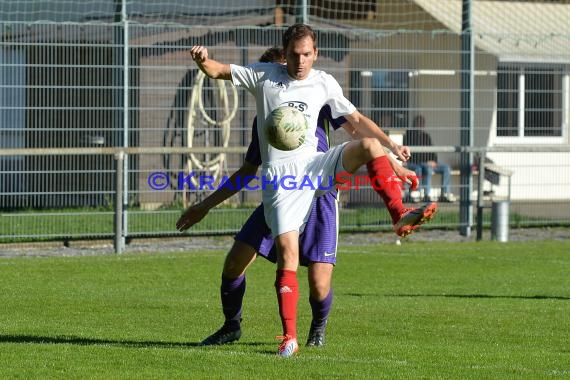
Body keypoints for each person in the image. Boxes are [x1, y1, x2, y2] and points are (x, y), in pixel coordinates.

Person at [188, 23, 437, 357]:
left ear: (315, 54)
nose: (299, 62)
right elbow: (219, 72)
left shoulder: (322, 86)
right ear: (282, 58)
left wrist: (392, 152)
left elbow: (356, 125)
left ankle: (398, 214)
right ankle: (277, 336)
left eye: (306, 55)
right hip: (282, 182)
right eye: (293, 56)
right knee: (264, 260)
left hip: (317, 179)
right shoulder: (266, 95)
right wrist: (204, 60)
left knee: (320, 284)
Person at [403, 115, 456, 202]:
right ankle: (423, 194)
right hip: (416, 162)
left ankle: (445, 194)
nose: (420, 125)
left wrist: (433, 161)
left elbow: (432, 151)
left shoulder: (426, 136)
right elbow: (411, 153)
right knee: (425, 168)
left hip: (428, 162)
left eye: (422, 123)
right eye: (419, 123)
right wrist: (427, 162)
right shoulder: (408, 135)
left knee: (446, 168)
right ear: (414, 124)